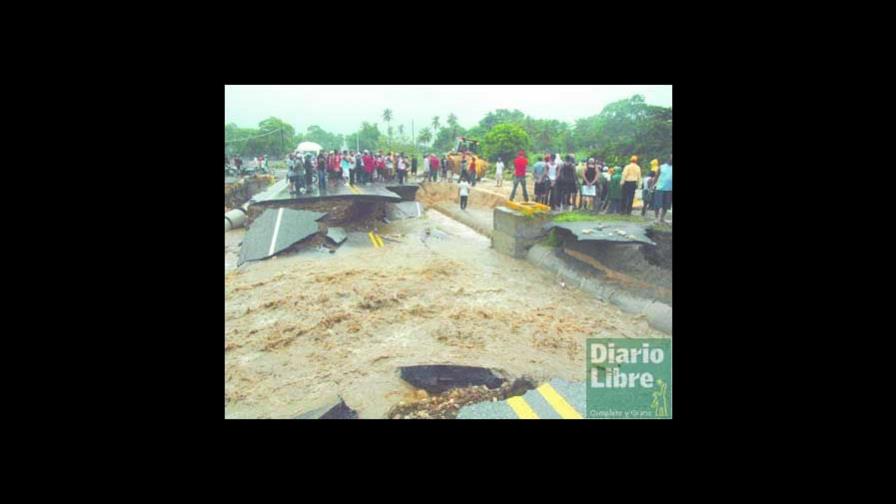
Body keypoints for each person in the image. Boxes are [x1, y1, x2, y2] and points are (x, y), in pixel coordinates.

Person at [653, 157, 673, 224]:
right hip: (660, 188)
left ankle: (662, 218)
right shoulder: (661, 167)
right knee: (657, 204)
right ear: (669, 159)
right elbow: (656, 177)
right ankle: (656, 218)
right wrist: (652, 186)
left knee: (666, 205)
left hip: (669, 189)